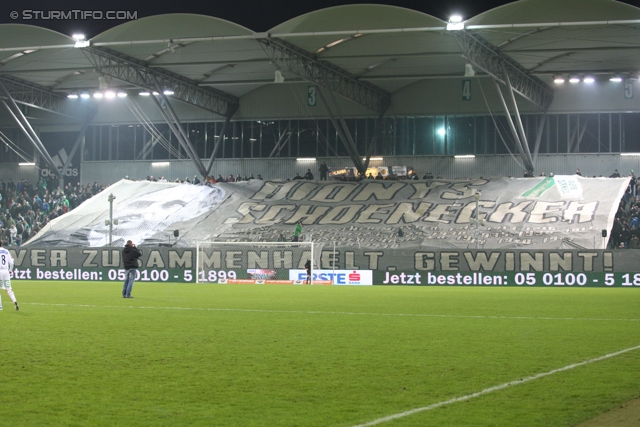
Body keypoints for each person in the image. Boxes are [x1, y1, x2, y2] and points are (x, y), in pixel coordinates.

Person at [0, 240, 19, 311]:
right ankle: (14, 301)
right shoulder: (6, 251)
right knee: (8, 289)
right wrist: (10, 270)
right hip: (6, 271)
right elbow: (11, 262)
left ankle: (0, 306)